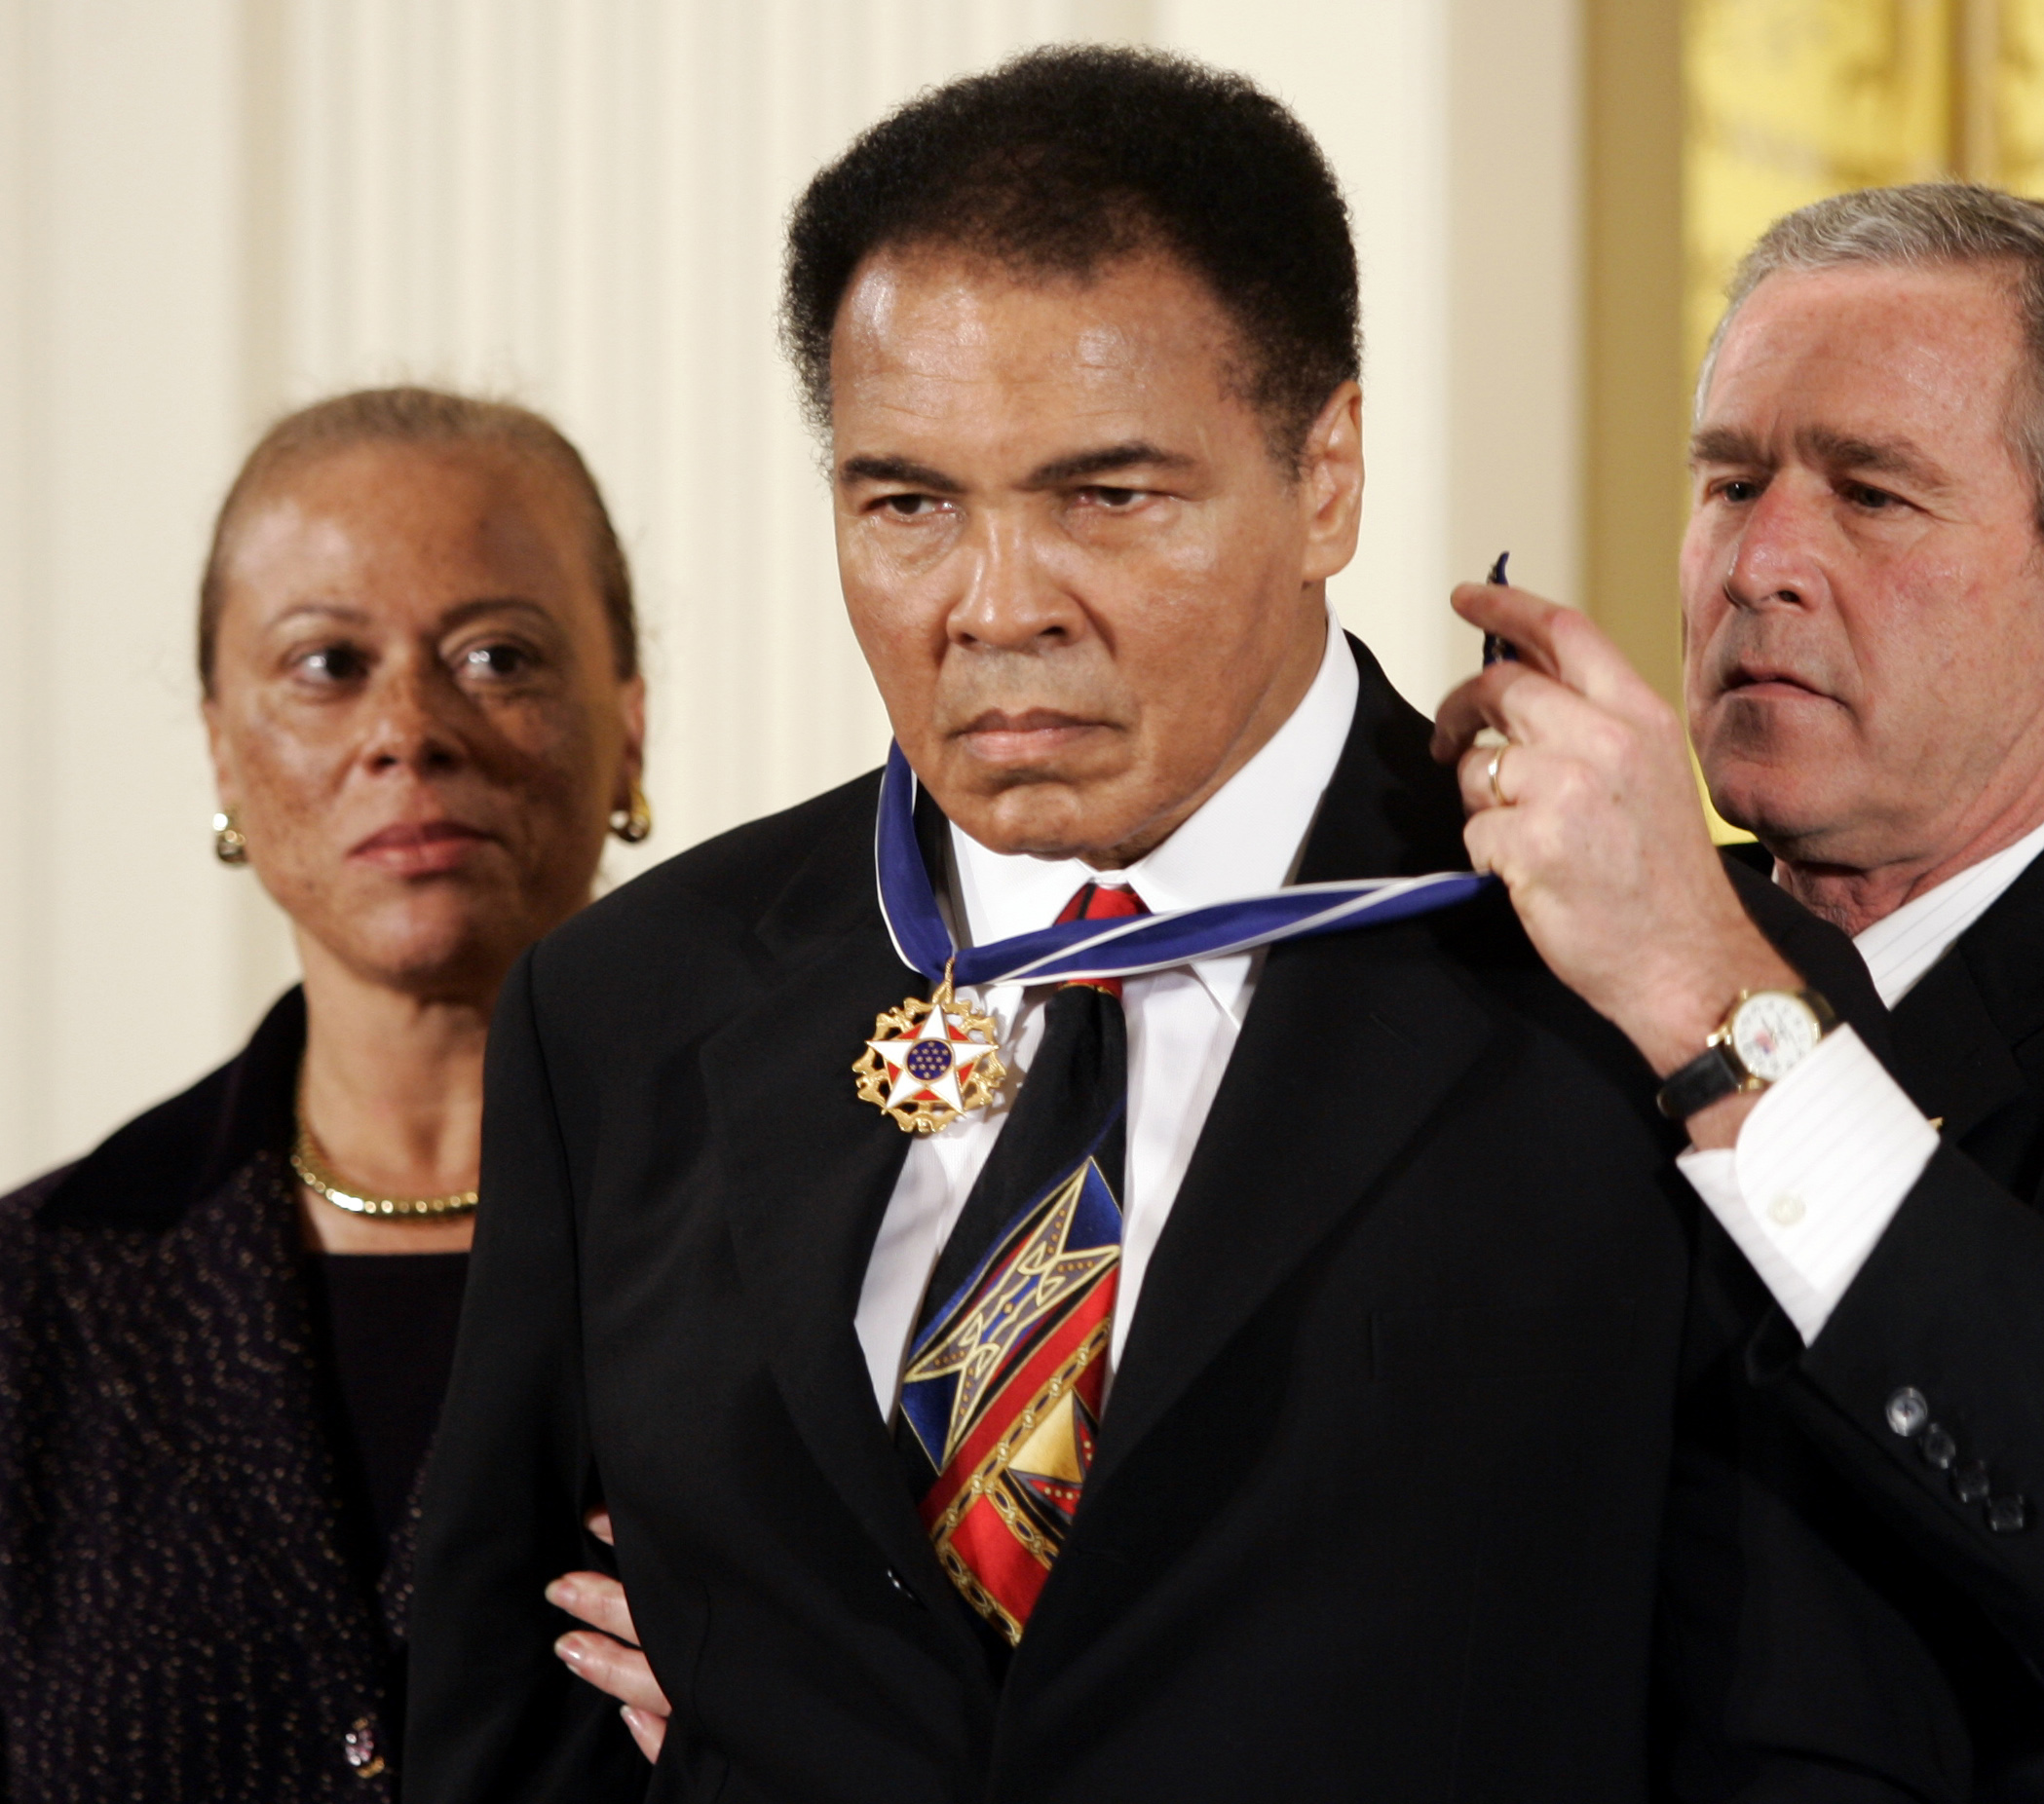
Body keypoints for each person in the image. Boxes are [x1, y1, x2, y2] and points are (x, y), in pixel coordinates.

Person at [401, 48, 1875, 1802]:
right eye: (908, 505)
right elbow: (506, 1713)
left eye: (1107, 496)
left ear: (1326, 473)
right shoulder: (629, 1007)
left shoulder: (1649, 990)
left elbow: (1813, 1731)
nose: (998, 607)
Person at [1435, 185, 2044, 1799]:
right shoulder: (1533, 980)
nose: (1760, 563)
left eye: (1874, 497)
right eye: (1731, 480)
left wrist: (1703, 984)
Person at [0, 387, 649, 1801]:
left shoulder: (825, 1250)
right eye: (326, 663)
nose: (409, 730)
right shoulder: (32, 1297)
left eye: (496, 655)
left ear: (630, 726)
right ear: (224, 746)